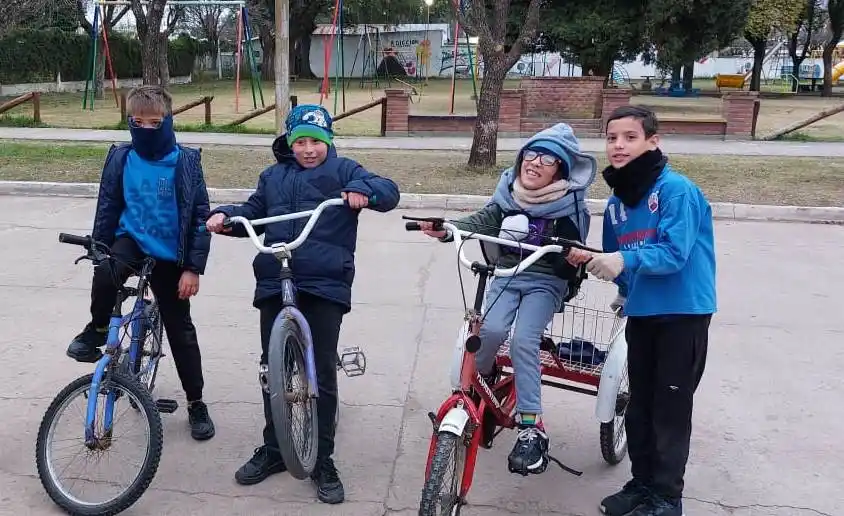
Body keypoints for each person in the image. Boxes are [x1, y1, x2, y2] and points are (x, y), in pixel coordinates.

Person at [205, 104, 400, 504]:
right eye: (300, 142)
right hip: (276, 277)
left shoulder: (344, 170)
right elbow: (253, 213)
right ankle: (275, 449)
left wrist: (366, 193)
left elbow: (389, 191)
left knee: (321, 371)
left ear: (328, 141)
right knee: (271, 367)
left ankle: (323, 458)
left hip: (324, 281)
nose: (309, 149)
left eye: (316, 141)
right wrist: (227, 215)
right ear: (289, 143)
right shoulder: (273, 177)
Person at [418, 123, 597, 476]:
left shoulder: (567, 204)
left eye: (547, 159)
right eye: (530, 154)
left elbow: (574, 253)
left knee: (525, 341)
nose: (535, 163)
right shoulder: (508, 192)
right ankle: (482, 387)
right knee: (489, 332)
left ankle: (532, 426)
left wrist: (572, 254)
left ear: (560, 169)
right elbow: (484, 220)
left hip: (544, 282)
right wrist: (448, 228)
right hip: (505, 275)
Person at [567, 105, 716, 516]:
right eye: (612, 137)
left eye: (630, 137)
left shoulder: (676, 191)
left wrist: (623, 261)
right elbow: (619, 258)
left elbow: (673, 253)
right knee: (640, 406)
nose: (618, 145)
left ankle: (667, 497)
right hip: (644, 313)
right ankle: (642, 483)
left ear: (653, 142)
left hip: (682, 315)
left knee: (669, 408)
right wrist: (607, 270)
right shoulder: (617, 201)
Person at [66, 85, 216, 441]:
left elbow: (199, 217)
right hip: (131, 240)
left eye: (154, 122)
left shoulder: (185, 162)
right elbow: (108, 205)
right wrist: (98, 246)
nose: (146, 129)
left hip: (170, 254)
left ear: (168, 121)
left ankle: (196, 402)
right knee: (105, 274)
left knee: (181, 330)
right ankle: (97, 329)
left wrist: (193, 268)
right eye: (138, 122)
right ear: (129, 122)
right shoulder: (122, 158)